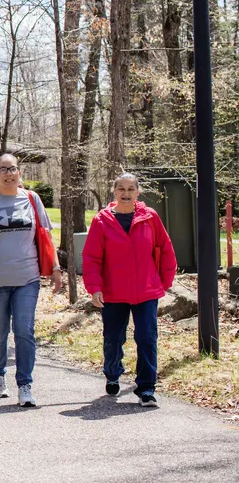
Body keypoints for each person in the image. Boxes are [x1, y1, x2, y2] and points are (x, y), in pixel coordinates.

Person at [0, 153, 62, 407]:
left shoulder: (32, 199)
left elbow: (45, 236)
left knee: (24, 330)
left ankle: (25, 385)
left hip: (27, 277)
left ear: (20, 173)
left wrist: (55, 267)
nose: (9, 173)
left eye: (13, 169)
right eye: (3, 169)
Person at [82, 173, 177, 407]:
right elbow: (92, 258)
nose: (126, 193)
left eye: (131, 189)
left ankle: (146, 388)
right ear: (114, 192)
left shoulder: (150, 217)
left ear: (138, 192)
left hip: (146, 291)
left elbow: (165, 249)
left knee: (146, 338)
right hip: (113, 292)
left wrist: (163, 282)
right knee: (114, 338)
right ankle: (112, 372)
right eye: (121, 189)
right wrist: (94, 288)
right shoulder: (101, 220)